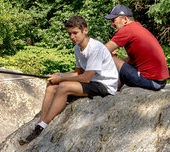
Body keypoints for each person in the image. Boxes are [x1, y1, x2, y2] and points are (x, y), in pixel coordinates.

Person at [20, 16, 118, 144]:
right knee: (51, 85)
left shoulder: (95, 48)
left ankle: (43, 125)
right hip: (92, 81)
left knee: (64, 86)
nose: (72, 37)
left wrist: (61, 78)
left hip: (105, 85)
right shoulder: (77, 48)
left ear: (85, 31)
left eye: (75, 33)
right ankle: (40, 123)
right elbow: (78, 72)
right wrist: (59, 75)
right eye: (69, 34)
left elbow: (86, 78)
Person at [103, 5, 168, 91]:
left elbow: (101, 51)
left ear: (125, 19)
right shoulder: (137, 28)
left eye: (114, 20)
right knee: (117, 60)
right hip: (160, 83)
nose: (112, 23)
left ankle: (108, 87)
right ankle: (115, 88)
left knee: (109, 56)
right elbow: (130, 61)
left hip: (151, 82)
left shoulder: (127, 30)